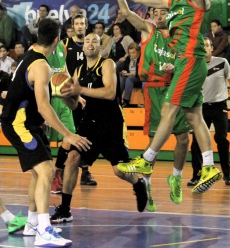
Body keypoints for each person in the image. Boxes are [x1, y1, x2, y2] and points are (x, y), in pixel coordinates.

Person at [101, 0, 222, 194]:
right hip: (186, 63)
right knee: (194, 116)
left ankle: (146, 160)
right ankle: (209, 166)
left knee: (170, 110)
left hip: (189, 60)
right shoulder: (173, 3)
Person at [0, 18, 91, 247]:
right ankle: (43, 230)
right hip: (19, 124)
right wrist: (67, 134)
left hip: (28, 123)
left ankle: (32, 225)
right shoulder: (41, 65)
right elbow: (43, 106)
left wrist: (65, 94)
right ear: (58, 40)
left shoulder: (30, 54)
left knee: (39, 173)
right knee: (47, 170)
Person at [50, 33, 148, 223]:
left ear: (100, 46)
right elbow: (75, 105)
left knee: (119, 170)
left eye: (94, 40)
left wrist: (79, 90)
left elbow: (110, 93)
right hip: (90, 123)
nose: (90, 43)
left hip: (111, 123)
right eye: (87, 41)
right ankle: (65, 209)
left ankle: (138, 184)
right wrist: (64, 95)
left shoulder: (107, 64)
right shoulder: (78, 71)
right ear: (83, 47)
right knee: (72, 157)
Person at [110, 0, 191, 207]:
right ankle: (146, 185)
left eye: (164, 11)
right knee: (154, 142)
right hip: (154, 90)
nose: (160, 14)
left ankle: (176, 176)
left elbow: (193, 61)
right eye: (156, 11)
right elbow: (125, 12)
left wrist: (177, 68)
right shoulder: (148, 30)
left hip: (176, 86)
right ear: (152, 15)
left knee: (183, 138)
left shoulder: (181, 36)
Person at [187, 37, 230, 187]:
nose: (205, 48)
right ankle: (196, 175)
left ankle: (227, 175)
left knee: (222, 140)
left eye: (207, 45)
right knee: (196, 142)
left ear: (211, 48)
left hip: (219, 106)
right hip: (201, 108)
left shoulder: (222, 62)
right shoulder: (195, 66)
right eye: (202, 46)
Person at [61, 14, 97, 186]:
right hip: (71, 96)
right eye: (77, 24)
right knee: (70, 133)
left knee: (86, 133)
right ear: (73, 26)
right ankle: (59, 170)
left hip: (88, 95)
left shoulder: (92, 45)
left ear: (86, 25)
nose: (80, 26)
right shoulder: (65, 45)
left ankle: (85, 171)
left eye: (83, 23)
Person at [120, 42, 142, 107]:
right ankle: (118, 99)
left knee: (129, 79)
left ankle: (126, 100)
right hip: (128, 78)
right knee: (121, 78)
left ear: (138, 52)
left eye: (133, 53)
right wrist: (123, 72)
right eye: (130, 53)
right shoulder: (128, 59)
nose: (131, 55)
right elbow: (124, 69)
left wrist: (128, 74)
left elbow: (140, 73)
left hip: (138, 79)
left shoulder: (141, 59)